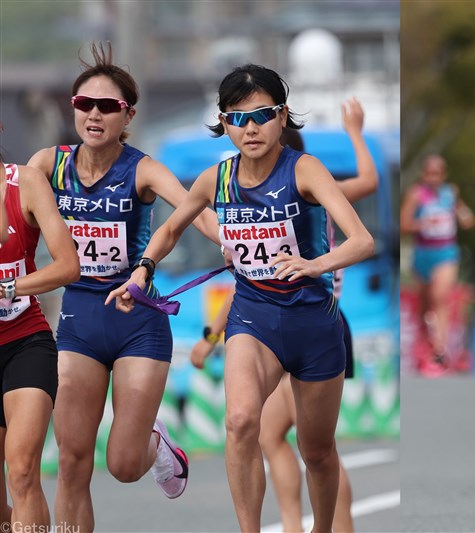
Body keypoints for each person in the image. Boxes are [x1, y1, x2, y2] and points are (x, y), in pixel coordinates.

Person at [107, 64, 374, 533]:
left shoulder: (304, 169)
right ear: (223, 123)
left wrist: (313, 265)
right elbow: (170, 228)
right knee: (241, 422)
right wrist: (142, 271)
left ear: (283, 116)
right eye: (237, 118)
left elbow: (361, 241)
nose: (250, 128)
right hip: (253, 317)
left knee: (317, 450)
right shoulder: (216, 180)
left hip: (314, 324)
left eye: (262, 115)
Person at [26, 42, 220, 530]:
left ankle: (154, 444)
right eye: (84, 104)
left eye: (107, 106)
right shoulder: (49, 165)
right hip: (79, 318)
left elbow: (193, 208)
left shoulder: (143, 169)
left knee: (124, 465)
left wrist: (234, 241)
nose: (94, 114)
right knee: (71, 462)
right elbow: (11, 207)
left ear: (126, 114)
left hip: (139, 320)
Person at [189, 98, 376, 533]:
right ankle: (293, 524)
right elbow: (247, 280)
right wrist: (212, 335)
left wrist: (355, 132)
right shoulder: (243, 207)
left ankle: (332, 525)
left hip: (318, 319)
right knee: (264, 432)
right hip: (264, 320)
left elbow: (367, 182)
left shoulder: (313, 183)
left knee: (316, 449)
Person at [0, 134, 80, 530]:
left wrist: (10, 287)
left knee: (22, 470)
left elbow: (68, 266)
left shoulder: (26, 182)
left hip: (24, 342)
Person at [399, 154, 475, 373]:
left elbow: (466, 216)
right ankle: (426, 344)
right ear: (423, 174)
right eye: (429, 173)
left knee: (440, 297)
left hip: (446, 251)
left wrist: (463, 215)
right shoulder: (416, 195)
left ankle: (440, 349)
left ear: (443, 174)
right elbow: (404, 225)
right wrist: (422, 223)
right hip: (423, 252)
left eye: (437, 173)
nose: (433, 177)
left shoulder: (450, 193)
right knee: (424, 304)